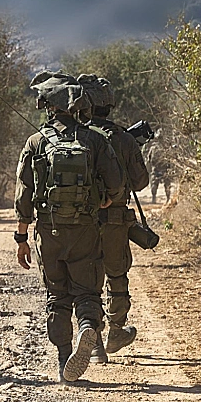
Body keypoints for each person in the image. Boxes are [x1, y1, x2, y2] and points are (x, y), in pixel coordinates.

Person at [13, 71, 123, 383]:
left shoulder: (35, 142)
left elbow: (23, 195)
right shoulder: (95, 141)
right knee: (87, 292)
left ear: (48, 106)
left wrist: (22, 237)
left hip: (49, 232)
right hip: (86, 230)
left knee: (57, 297)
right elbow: (117, 186)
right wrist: (102, 201)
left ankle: (64, 364)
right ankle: (88, 327)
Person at [77, 74, 149, 363]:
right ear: (109, 104)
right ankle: (116, 331)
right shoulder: (123, 138)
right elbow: (141, 182)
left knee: (87, 281)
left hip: (83, 222)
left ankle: (93, 342)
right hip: (116, 220)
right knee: (116, 275)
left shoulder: (76, 136)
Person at [145, 138, 174, 204]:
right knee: (166, 184)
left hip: (156, 169)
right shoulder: (166, 148)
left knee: (154, 183)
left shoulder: (153, 148)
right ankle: (167, 198)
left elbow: (148, 160)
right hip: (163, 169)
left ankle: (154, 198)